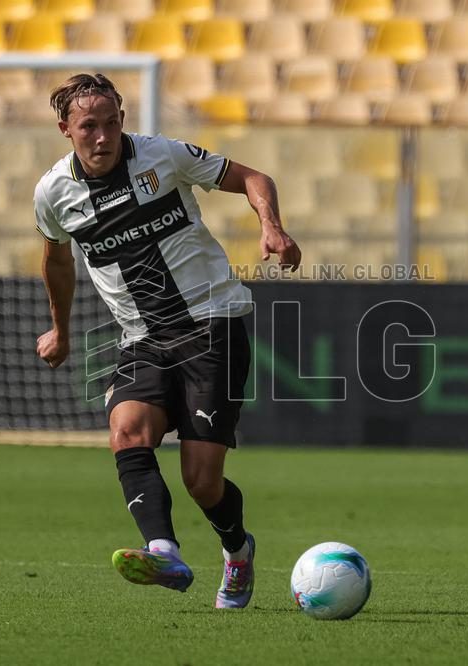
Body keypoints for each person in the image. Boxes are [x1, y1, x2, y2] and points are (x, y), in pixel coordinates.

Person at [33, 73, 301, 609]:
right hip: (142, 338)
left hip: (211, 325)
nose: (103, 136)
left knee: (202, 482)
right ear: (66, 129)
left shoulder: (164, 156)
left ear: (123, 120)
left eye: (112, 123)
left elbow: (254, 177)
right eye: (89, 127)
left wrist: (271, 226)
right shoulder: (53, 193)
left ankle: (238, 550)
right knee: (126, 431)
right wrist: (61, 330)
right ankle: (162, 550)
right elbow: (57, 261)